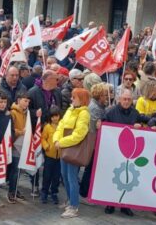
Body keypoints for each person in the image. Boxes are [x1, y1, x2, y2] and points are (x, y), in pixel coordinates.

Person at [53, 88, 91, 219]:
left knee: (72, 177)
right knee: (65, 176)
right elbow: (60, 126)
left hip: (73, 150)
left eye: (74, 97)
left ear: (81, 99)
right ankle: (70, 201)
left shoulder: (84, 113)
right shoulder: (70, 109)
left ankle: (74, 206)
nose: (71, 99)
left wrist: (61, 142)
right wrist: (57, 139)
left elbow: (79, 134)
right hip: (66, 148)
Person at [41, 107, 63, 206]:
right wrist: (46, 146)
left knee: (56, 176)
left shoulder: (62, 127)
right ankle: (44, 192)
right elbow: (43, 138)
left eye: (57, 116)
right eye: (53, 116)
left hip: (59, 157)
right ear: (50, 117)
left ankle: (54, 192)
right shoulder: (47, 127)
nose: (55, 118)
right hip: (49, 156)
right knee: (47, 175)